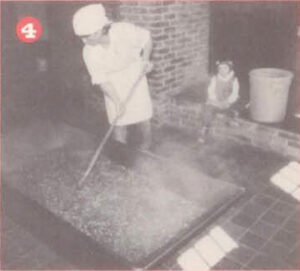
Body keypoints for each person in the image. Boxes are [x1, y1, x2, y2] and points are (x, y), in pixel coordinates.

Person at [72, 4, 153, 150]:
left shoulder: (124, 30)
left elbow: (147, 40)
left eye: (85, 36)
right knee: (118, 122)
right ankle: (121, 154)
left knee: (143, 118)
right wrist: (117, 101)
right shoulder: (89, 52)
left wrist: (145, 61)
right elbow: (101, 79)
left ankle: (146, 146)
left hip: (135, 75)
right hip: (112, 84)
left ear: (97, 31)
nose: (83, 41)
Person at [199, 60, 240, 141]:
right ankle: (205, 128)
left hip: (227, 101)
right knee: (208, 109)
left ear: (230, 69)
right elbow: (210, 90)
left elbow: (234, 94)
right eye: (220, 68)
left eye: (225, 68)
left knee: (234, 105)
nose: (222, 70)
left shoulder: (234, 79)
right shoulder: (215, 78)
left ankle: (232, 117)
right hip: (217, 100)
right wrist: (215, 101)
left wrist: (227, 101)